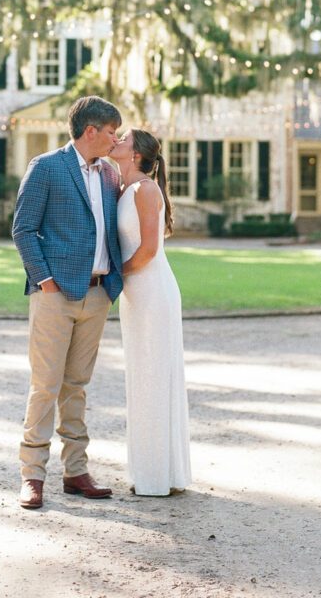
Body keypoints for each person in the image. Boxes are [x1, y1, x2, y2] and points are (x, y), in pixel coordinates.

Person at [12, 95, 124, 511]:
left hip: (97, 296)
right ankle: (32, 475)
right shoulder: (46, 167)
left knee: (77, 386)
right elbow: (23, 229)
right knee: (45, 386)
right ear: (90, 131)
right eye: (112, 132)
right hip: (55, 296)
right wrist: (45, 283)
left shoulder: (110, 175)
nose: (116, 140)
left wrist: (112, 286)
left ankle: (76, 471)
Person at [112, 128, 191, 497]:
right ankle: (152, 470)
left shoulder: (146, 190)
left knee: (154, 377)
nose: (117, 141)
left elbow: (146, 251)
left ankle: (158, 477)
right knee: (141, 376)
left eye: (123, 138)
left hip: (153, 290)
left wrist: (114, 273)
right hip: (136, 295)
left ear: (137, 154)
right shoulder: (122, 188)